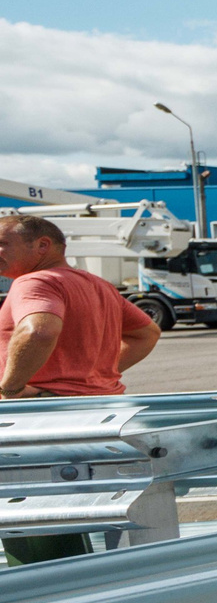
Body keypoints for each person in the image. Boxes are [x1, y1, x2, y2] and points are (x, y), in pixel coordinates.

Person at [1, 215, 161, 564]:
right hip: (95, 415)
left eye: (3, 244)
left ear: (42, 245)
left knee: (35, 528)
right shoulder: (96, 285)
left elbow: (38, 331)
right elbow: (146, 333)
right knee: (80, 517)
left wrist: (9, 389)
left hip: (41, 421)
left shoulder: (34, 281)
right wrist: (99, 374)